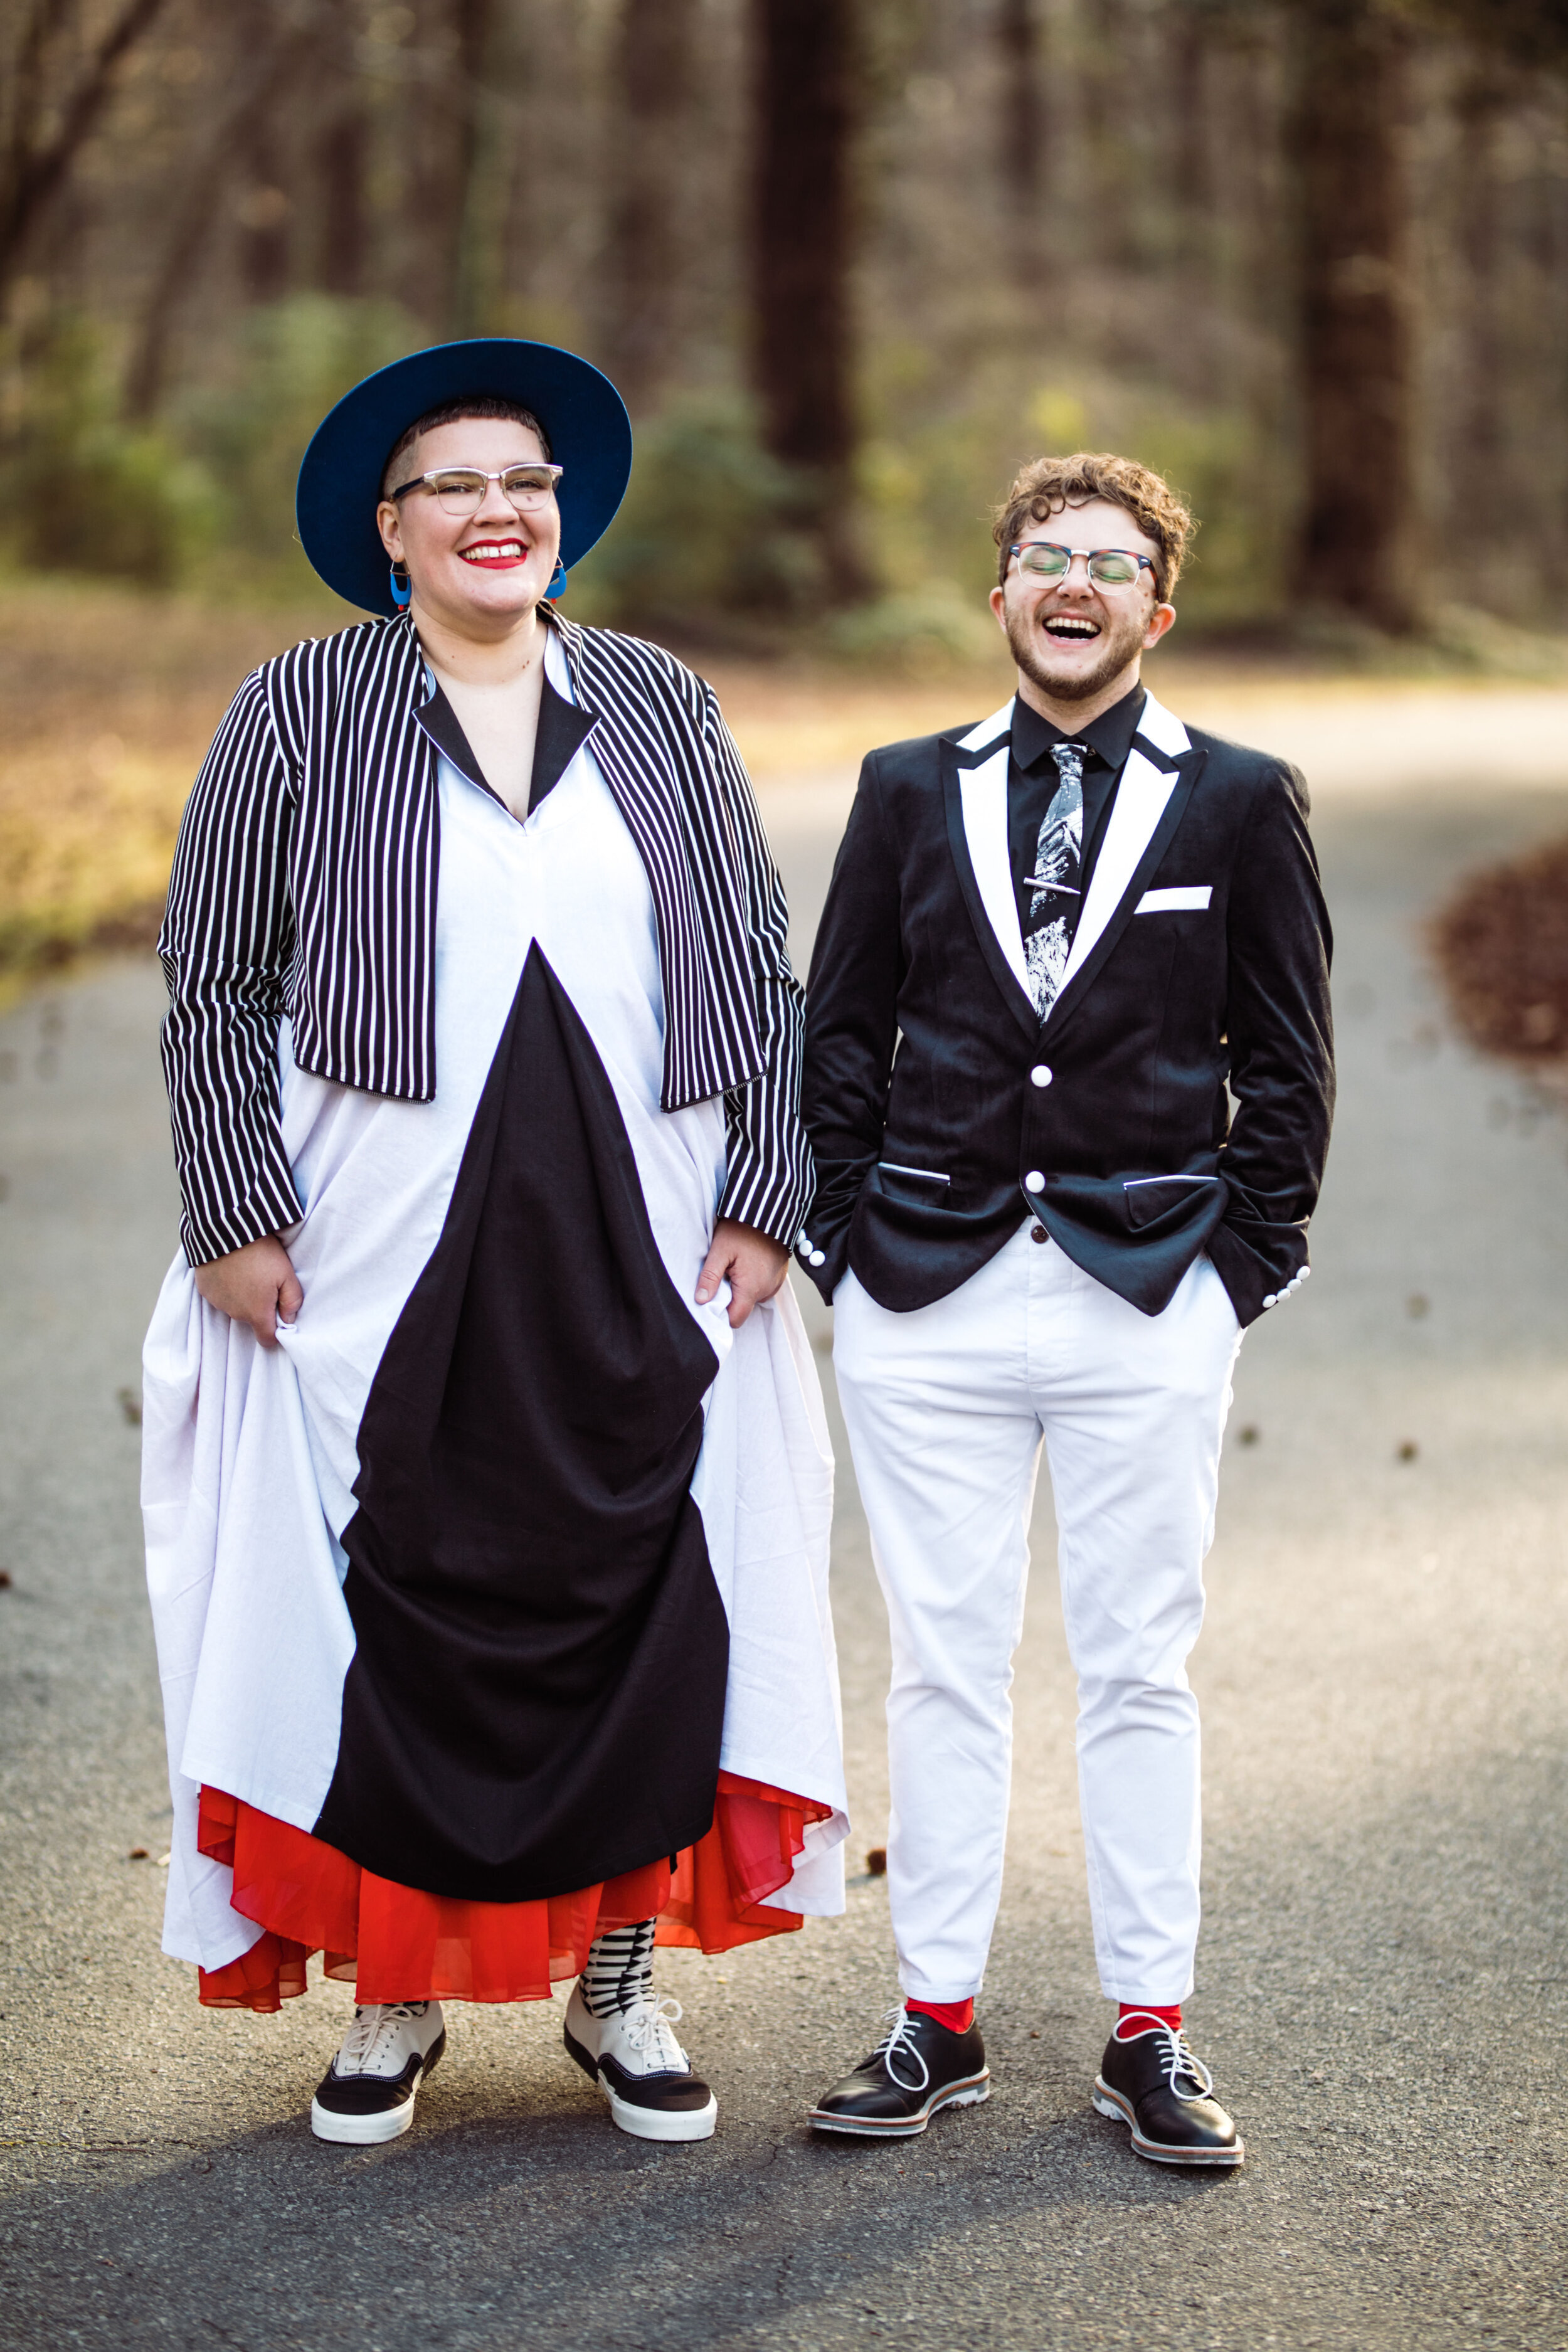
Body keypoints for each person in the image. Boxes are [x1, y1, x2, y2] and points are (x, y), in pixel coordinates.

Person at [142, 339, 846, 2148]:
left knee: (641, 1576)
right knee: (392, 1579)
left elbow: (761, 967)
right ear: (391, 531)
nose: (495, 511)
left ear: (561, 520)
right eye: (453, 484)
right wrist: (236, 1212)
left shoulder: (662, 703)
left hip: (649, 1220)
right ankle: (394, 1992)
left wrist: (769, 1191)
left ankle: (618, 1983)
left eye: (523, 483)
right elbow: (212, 983)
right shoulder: (294, 712)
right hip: (377, 1240)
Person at [797, 451, 1333, 2166]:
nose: (1070, 580)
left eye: (1106, 560)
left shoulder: (1239, 799)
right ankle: (931, 2019)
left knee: (1136, 1668)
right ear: (1002, 595)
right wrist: (836, 1244)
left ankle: (1148, 2032)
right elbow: (838, 1036)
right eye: (1042, 555)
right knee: (939, 1672)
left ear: (1153, 610)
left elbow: (1291, 1062)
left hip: (1144, 1289)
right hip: (922, 1293)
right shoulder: (902, 787)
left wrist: (1228, 1282)